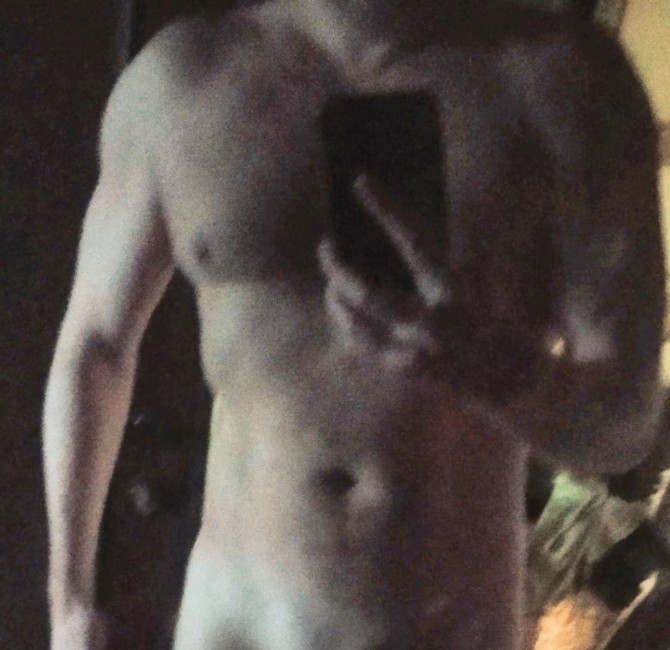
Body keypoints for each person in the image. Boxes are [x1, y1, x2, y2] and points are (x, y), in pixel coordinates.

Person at [43, 1, 665, 648]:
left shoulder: (567, 81)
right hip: (233, 628)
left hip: (442, 630)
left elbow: (625, 425)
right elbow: (96, 347)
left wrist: (504, 374)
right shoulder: (179, 82)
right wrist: (69, 602)